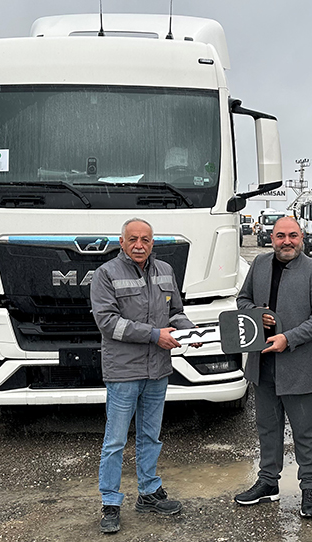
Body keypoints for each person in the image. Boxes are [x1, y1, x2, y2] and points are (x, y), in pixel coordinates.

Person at [90, 217, 194, 534]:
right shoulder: (106, 274)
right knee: (115, 441)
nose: (139, 245)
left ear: (152, 243)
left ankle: (149, 493)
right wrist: (154, 335)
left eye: (145, 240)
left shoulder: (165, 270)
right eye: (132, 239)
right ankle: (110, 503)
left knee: (151, 436)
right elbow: (108, 323)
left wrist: (191, 332)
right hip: (124, 370)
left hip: (157, 369)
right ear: (121, 242)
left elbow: (175, 312)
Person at [235, 217, 312, 518]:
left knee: (304, 433)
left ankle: (309, 488)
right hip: (263, 365)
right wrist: (256, 312)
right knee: (267, 428)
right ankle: (268, 483)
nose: (286, 241)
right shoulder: (259, 264)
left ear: (302, 237)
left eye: (292, 235)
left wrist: (287, 338)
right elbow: (242, 299)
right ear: (271, 238)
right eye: (280, 236)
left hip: (298, 367)